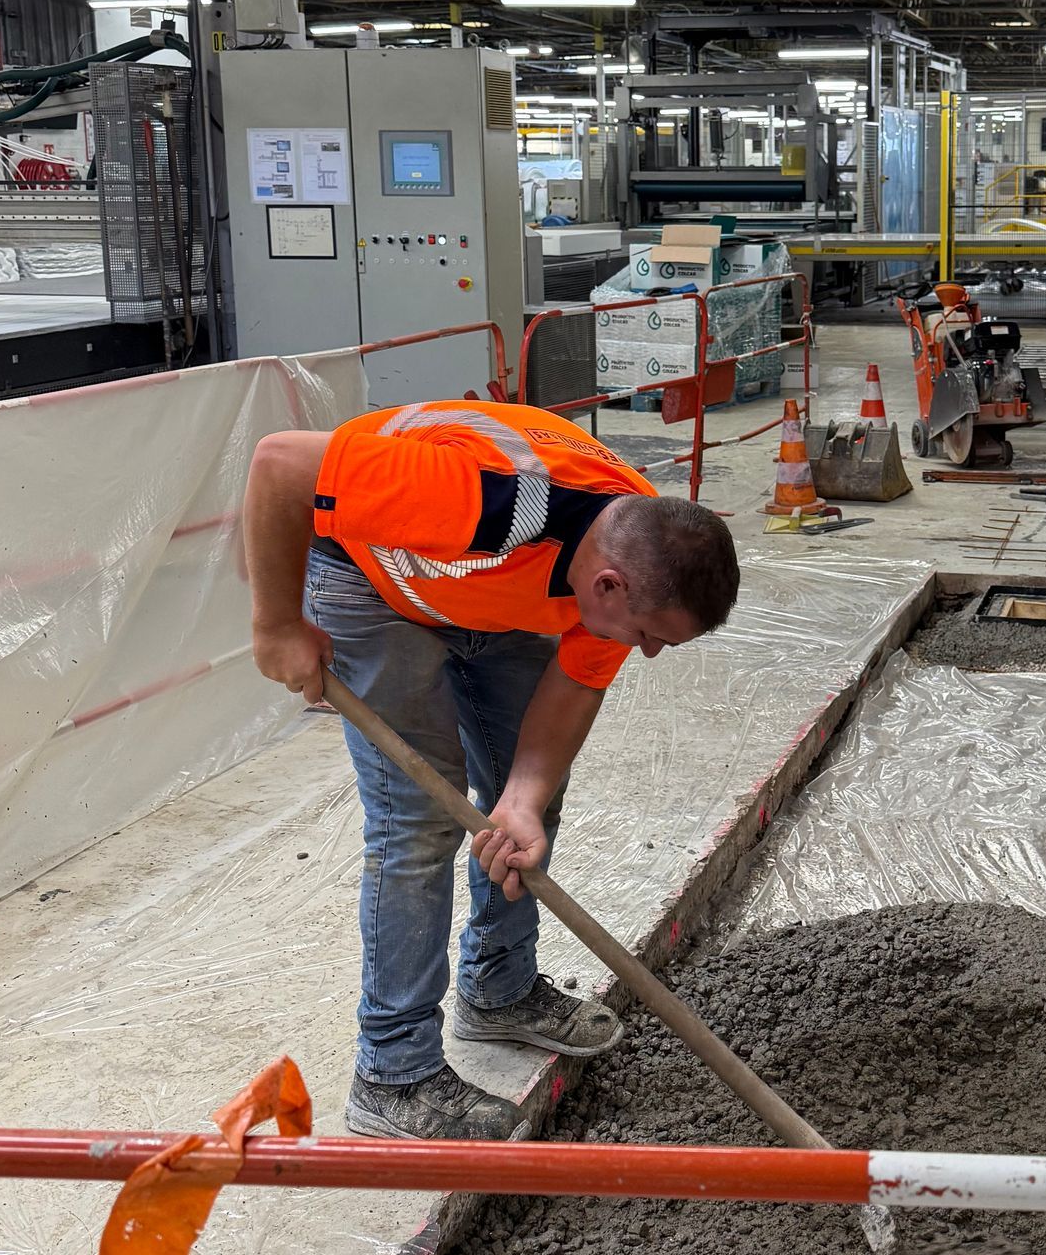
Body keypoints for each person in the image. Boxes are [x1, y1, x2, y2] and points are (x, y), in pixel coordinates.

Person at [242, 397, 740, 1140]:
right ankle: (392, 1073)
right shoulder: (479, 496)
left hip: (490, 592)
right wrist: (277, 623)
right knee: (417, 823)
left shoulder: (634, 552)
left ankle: (498, 990)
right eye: (647, 635)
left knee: (527, 803)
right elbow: (278, 464)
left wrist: (525, 799)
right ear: (608, 589)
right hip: (375, 581)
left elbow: (574, 686)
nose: (649, 652)